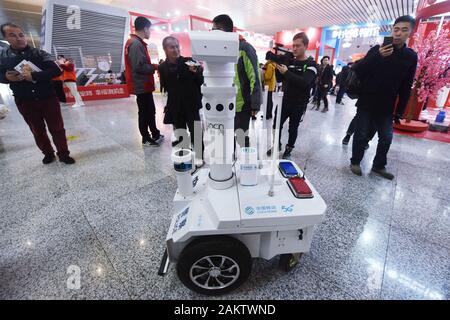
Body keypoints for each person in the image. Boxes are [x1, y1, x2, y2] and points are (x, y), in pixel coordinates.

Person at [350, 15, 418, 180]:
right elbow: (358, 69)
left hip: (387, 105)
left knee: (386, 137)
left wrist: (400, 110)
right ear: (392, 30)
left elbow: (406, 85)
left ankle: (378, 166)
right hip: (367, 101)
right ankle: (355, 162)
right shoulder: (377, 49)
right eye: (396, 29)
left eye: (404, 30)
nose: (398, 34)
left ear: (410, 32)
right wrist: (377, 56)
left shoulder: (411, 56)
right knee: (360, 134)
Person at [0, 23, 75, 165]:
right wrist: (6, 78)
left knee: (57, 128)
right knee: (37, 130)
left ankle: (63, 153)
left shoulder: (39, 53)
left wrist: (34, 77)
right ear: (5, 38)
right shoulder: (3, 57)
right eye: (12, 35)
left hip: (48, 97)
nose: (19, 38)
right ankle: (48, 153)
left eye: (21, 35)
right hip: (24, 100)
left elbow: (56, 71)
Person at [212, 14, 261, 148]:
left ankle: (243, 163)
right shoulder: (217, 50)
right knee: (225, 139)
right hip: (222, 104)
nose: (212, 33)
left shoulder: (244, 48)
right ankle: (229, 164)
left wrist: (255, 103)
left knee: (241, 138)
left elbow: (255, 76)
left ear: (225, 30)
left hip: (241, 105)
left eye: (215, 30)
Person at [267, 32, 318, 159]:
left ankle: (289, 149)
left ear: (305, 46)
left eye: (298, 46)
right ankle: (276, 145)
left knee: (293, 128)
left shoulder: (312, 65)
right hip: (285, 100)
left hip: (299, 103)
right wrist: (278, 69)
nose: (294, 48)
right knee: (276, 124)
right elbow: (280, 79)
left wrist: (286, 72)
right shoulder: (289, 61)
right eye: (293, 45)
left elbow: (304, 82)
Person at [158, 36, 204, 166]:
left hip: (191, 103)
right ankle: (185, 155)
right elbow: (166, 87)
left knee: (196, 130)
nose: (175, 49)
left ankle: (199, 156)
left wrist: (196, 73)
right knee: (180, 131)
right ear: (165, 49)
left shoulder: (189, 61)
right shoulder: (162, 67)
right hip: (175, 104)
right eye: (172, 47)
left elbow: (201, 81)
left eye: (177, 46)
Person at [124, 16, 164, 147]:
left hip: (143, 85)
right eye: (150, 30)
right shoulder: (135, 44)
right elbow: (139, 66)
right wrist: (155, 67)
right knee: (145, 112)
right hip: (141, 84)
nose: (150, 33)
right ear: (145, 28)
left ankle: (155, 133)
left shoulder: (134, 42)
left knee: (149, 110)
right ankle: (146, 137)